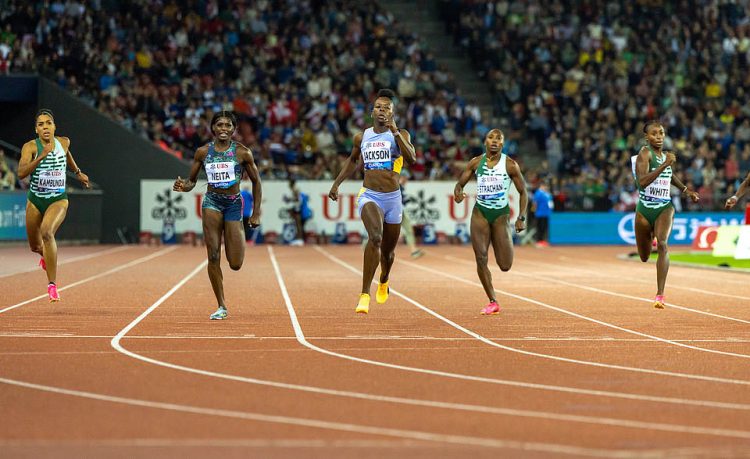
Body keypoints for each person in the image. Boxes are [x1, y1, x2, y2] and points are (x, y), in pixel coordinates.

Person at [328, 89, 416, 314]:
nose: (382, 111)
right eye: (378, 107)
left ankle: (384, 279)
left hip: (393, 198)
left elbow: (412, 158)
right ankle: (364, 294)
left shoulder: (400, 134)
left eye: (387, 108)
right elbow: (352, 160)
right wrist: (336, 184)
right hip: (369, 195)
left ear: (392, 113)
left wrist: (396, 132)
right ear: (371, 112)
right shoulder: (362, 136)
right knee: (375, 237)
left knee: (388, 254)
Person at [173, 111, 262, 320]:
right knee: (213, 255)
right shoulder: (203, 152)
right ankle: (221, 305)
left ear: (234, 129)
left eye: (228, 125)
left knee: (235, 263)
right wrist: (183, 186)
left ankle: (224, 293)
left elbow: (257, 182)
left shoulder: (242, 153)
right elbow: (191, 181)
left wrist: (256, 213)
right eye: (219, 125)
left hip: (233, 204)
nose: (223, 129)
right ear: (212, 128)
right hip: (212, 202)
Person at [17, 109, 90, 302]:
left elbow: (67, 156)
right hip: (35, 200)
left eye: (48, 123)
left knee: (47, 232)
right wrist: (41, 156)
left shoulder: (64, 142)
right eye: (41, 124)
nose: (45, 127)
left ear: (54, 126)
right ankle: (46, 257)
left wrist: (78, 172)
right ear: (36, 129)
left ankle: (52, 286)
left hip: (58, 198)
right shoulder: (30, 147)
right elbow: (21, 173)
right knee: (35, 246)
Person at [454, 128, 528, 315]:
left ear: (503, 144)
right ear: (485, 141)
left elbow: (523, 192)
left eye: (498, 139)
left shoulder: (510, 165)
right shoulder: (475, 162)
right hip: (480, 213)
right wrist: (458, 193)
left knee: (505, 265)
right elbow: (459, 184)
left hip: (501, 216)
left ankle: (500, 244)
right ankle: (492, 300)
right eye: (491, 138)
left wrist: (521, 217)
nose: (494, 141)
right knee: (481, 258)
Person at [632, 121, 699, 309]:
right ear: (647, 137)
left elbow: (669, 176)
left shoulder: (665, 156)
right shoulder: (645, 154)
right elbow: (642, 182)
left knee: (662, 244)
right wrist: (665, 164)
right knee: (644, 257)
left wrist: (687, 190)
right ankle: (651, 234)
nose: (659, 137)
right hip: (644, 210)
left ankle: (660, 295)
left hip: (664, 207)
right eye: (654, 134)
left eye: (661, 133)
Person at [399, 173, 424, 258]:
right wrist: (406, 200)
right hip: (396, 212)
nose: (407, 180)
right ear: (402, 177)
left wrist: (406, 200)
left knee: (409, 230)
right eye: (406, 178)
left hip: (400, 211)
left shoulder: (400, 187)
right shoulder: (397, 186)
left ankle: (414, 250)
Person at [285, 179, 312, 246]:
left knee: (298, 225)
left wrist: (289, 200)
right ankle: (300, 239)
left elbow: (298, 200)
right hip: (298, 209)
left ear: (291, 184)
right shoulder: (295, 190)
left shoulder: (295, 190)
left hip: (298, 209)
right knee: (299, 225)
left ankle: (300, 239)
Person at [532, 181, 553, 247]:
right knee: (539, 227)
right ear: (541, 186)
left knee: (545, 227)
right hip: (539, 213)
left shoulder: (547, 194)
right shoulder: (538, 193)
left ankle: (543, 240)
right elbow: (535, 203)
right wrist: (534, 211)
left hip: (546, 213)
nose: (546, 187)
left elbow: (550, 203)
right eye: (544, 186)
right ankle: (538, 241)